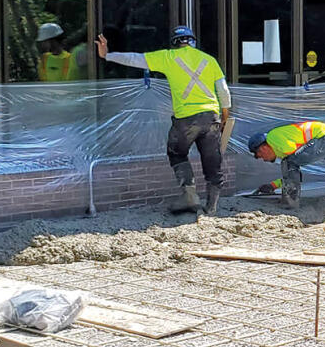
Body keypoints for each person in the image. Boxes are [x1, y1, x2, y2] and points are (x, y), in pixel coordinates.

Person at [97, 26, 232, 215]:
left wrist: (107, 55)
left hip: (186, 118)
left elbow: (135, 59)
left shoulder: (167, 57)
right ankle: (212, 207)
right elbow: (224, 91)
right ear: (192, 41)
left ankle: (190, 195)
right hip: (211, 117)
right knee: (212, 160)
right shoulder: (209, 60)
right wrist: (224, 117)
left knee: (177, 152)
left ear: (175, 42)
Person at [248, 122, 325, 208]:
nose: (263, 159)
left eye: (259, 155)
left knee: (288, 162)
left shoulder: (272, 137)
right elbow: (295, 169)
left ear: (263, 148)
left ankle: (290, 203)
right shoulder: (280, 145)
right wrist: (273, 185)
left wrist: (277, 184)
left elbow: (292, 164)